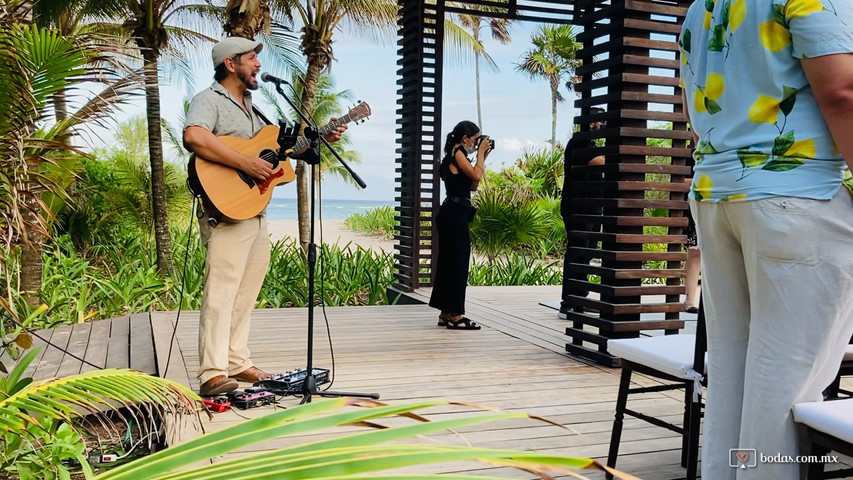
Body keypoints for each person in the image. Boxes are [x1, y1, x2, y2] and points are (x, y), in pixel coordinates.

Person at [680, 1, 853, 478]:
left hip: (719, 194)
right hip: (798, 194)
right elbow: (842, 91)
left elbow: (694, 105)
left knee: (734, 377)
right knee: (786, 388)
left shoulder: (703, 6)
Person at [183, 37, 346, 396]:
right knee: (221, 291)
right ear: (231, 63)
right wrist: (245, 162)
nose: (259, 64)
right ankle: (212, 372)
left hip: (254, 210)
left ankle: (236, 360)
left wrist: (317, 140)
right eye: (252, 58)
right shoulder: (210, 100)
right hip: (223, 211)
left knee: (246, 291)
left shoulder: (254, 109)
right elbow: (194, 136)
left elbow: (278, 156)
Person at [428, 120, 491, 330]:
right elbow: (476, 175)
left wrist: (483, 156)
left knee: (450, 262)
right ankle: (455, 315)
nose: (477, 143)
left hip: (453, 212)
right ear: (465, 139)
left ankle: (446, 312)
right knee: (458, 264)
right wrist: (480, 154)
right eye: (475, 140)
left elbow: (473, 185)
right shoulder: (457, 154)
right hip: (454, 214)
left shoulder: (457, 156)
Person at [559, 107, 605, 318]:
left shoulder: (592, 143)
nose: (602, 125)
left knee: (586, 255)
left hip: (593, 207)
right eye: (599, 121)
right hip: (579, 207)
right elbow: (597, 161)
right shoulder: (579, 140)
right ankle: (568, 302)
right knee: (577, 253)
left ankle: (581, 298)